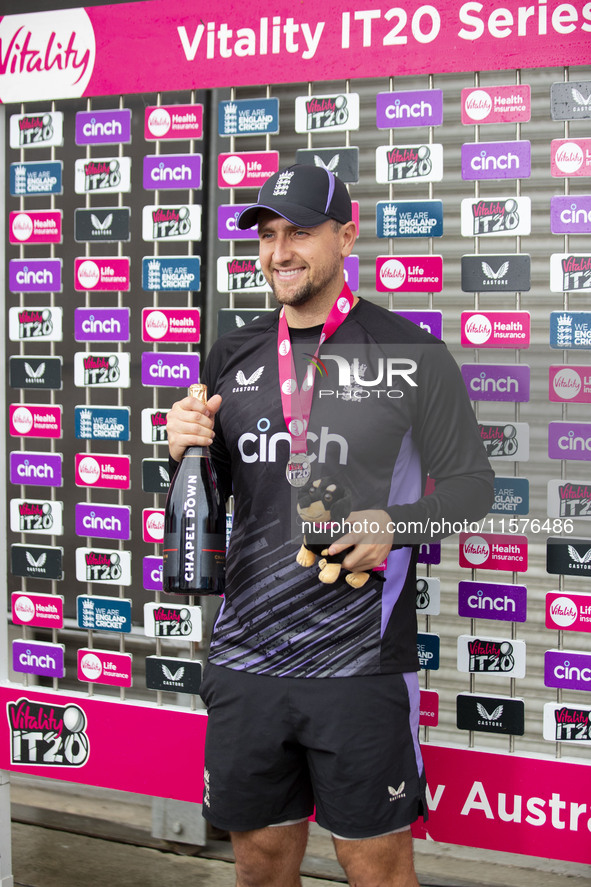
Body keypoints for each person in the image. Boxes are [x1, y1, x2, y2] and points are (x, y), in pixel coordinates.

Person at [166, 163, 494, 887]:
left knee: (375, 870)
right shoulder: (232, 353)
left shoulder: (411, 353)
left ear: (346, 236)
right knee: (258, 866)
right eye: (269, 234)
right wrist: (183, 447)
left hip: (358, 666)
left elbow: (475, 488)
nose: (280, 251)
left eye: (301, 232)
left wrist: (397, 525)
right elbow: (215, 493)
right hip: (246, 662)